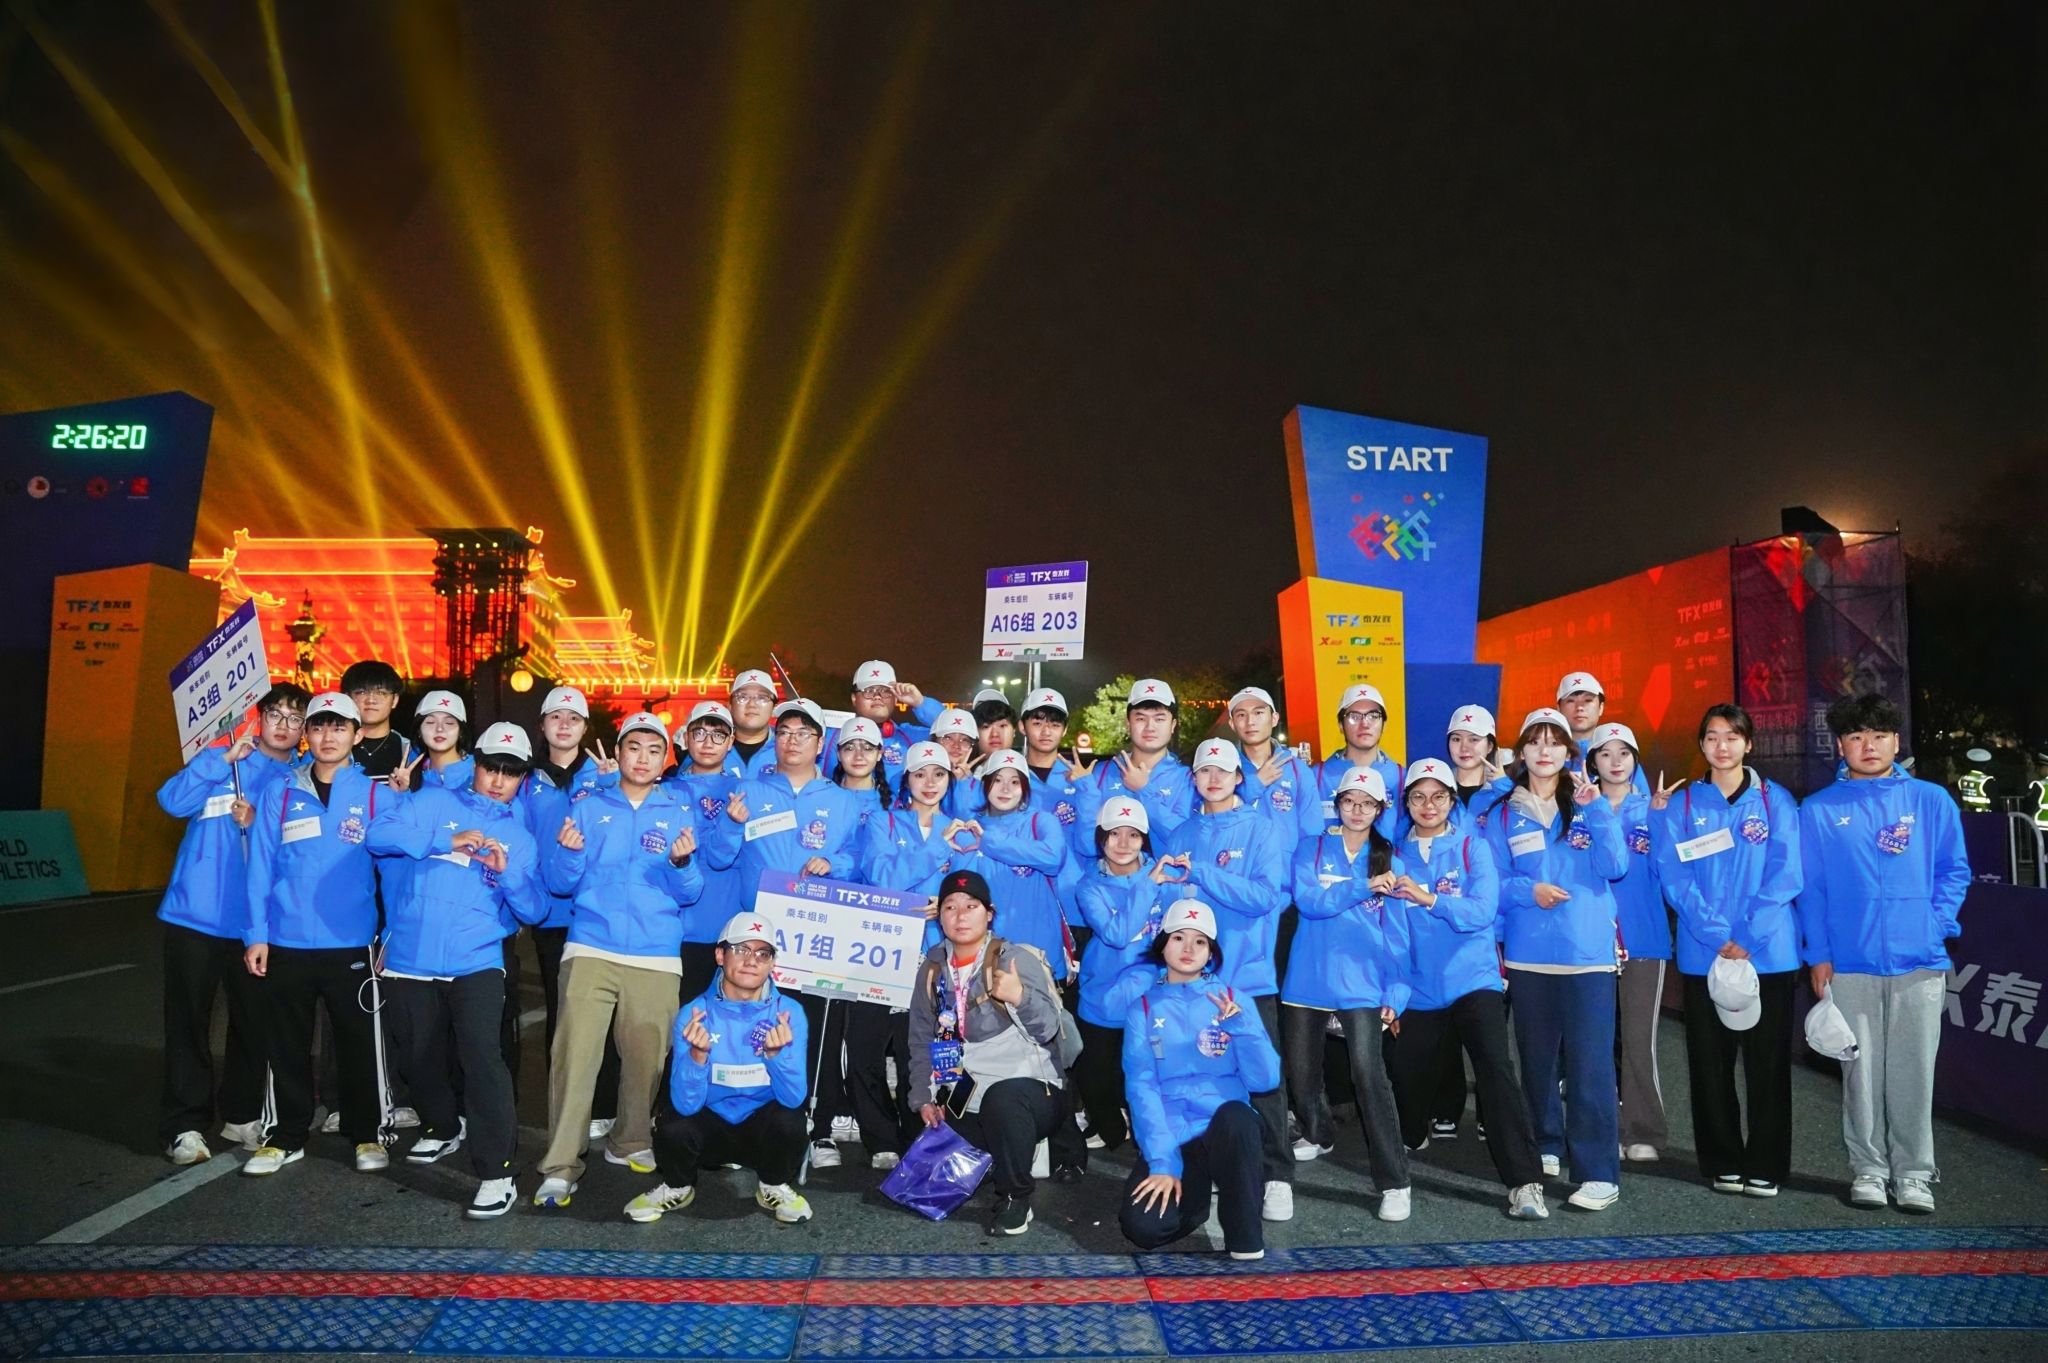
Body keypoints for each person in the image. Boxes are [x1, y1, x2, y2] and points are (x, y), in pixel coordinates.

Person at [1796, 692, 1969, 1214]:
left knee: (1915, 1072)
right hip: (1850, 963)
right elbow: (1811, 890)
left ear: (1896, 741)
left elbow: (1953, 870)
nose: (1867, 745)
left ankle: (1914, 1173)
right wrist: (1819, 954)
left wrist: (1935, 926)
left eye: (1878, 735)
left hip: (1920, 962)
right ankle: (1868, 1169)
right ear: (1840, 746)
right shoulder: (1819, 809)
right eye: (1855, 736)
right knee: (1860, 1074)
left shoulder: (1931, 801)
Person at [365, 721, 547, 1218]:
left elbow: (535, 910)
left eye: (511, 773)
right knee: (418, 1057)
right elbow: (377, 835)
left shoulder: (520, 838)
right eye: (492, 768)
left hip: (477, 960)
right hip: (411, 957)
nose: (498, 780)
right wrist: (445, 839)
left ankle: (497, 1173)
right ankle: (444, 1127)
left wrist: (508, 876)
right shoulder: (432, 801)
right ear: (476, 765)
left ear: (522, 779)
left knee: (484, 1062)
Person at [533, 712, 704, 1209]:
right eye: (634, 747)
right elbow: (560, 883)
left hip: (656, 953)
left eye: (654, 750)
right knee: (575, 1058)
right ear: (620, 752)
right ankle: (560, 1166)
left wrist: (682, 864)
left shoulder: (678, 810)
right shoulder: (588, 806)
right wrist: (568, 854)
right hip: (591, 945)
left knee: (647, 1061)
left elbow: (691, 892)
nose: (643, 758)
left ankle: (629, 1140)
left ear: (665, 759)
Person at [1385, 760, 1549, 1219]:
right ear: (1406, 803)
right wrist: (1393, 998)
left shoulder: (1472, 847)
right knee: (1405, 1079)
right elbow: (1391, 935)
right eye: (1419, 796)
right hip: (1418, 990)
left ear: (1452, 801)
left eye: (1439, 796)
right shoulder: (1393, 860)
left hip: (1473, 981)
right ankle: (1411, 1132)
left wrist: (1431, 899)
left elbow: (1480, 912)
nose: (1429, 805)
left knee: (1496, 1071)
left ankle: (1525, 1182)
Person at [239, 692, 392, 1176]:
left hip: (351, 942)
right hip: (287, 941)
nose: (328, 736)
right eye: (319, 726)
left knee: (358, 1044)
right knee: (286, 1044)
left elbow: (396, 873)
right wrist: (256, 934)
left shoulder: (376, 795)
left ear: (357, 734)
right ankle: (285, 1136)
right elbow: (260, 866)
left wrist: (389, 937)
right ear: (307, 733)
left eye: (339, 727)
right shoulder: (281, 792)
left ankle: (367, 1132)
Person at [155, 683, 308, 1165]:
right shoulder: (224, 760)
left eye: (295, 719)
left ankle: (241, 1114)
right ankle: (184, 1125)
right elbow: (172, 802)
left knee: (253, 1023)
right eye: (275, 714)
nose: (284, 725)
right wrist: (221, 760)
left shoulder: (300, 781)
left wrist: (258, 822)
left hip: (255, 924)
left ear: (304, 730)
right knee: (188, 1023)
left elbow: (301, 854)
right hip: (194, 916)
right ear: (259, 719)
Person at [1653, 705, 1802, 1197]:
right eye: (1713, 737)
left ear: (1749, 744)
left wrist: (1750, 934)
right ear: (1701, 745)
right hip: (1705, 953)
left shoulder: (1775, 801)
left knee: (1768, 1066)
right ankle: (1721, 1160)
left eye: (1733, 737)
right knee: (1710, 1066)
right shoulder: (1683, 805)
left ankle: (1766, 1164)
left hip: (1769, 953)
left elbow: (1787, 873)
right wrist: (1716, 933)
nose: (1723, 746)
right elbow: (1673, 874)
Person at [1483, 707, 1627, 1211]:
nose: (1544, 751)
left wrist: (1599, 810)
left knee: (1591, 1067)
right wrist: (1529, 891)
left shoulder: (1589, 802)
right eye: (1534, 742)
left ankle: (1598, 1172)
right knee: (1537, 1063)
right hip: (1529, 957)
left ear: (1570, 751)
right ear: (1521, 751)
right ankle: (1545, 1144)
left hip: (1587, 956)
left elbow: (1616, 865)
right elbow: (1491, 883)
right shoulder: (1502, 814)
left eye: (1554, 742)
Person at [713, 697, 864, 1172]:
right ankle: (743, 1129)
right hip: (757, 940)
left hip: (816, 936)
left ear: (821, 743)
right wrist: (731, 826)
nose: (792, 740)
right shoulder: (749, 791)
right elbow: (718, 856)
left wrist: (834, 863)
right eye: (784, 732)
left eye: (804, 733)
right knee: (751, 1032)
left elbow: (857, 860)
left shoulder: (843, 801)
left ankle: (817, 1129)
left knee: (816, 1035)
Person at [1158, 738, 1293, 1221]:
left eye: (1223, 771)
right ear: (1193, 779)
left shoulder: (1261, 827)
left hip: (1247, 978)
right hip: (1193, 981)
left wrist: (1203, 875)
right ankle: (1211, 1166)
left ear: (1239, 777)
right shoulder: (1181, 832)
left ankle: (1277, 1175)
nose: (1213, 779)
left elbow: (1264, 897)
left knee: (1263, 1079)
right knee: (1200, 1073)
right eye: (1204, 771)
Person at [1281, 767, 1412, 1221]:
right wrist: (1362, 886)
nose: (1357, 810)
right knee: (1301, 1075)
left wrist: (1397, 989)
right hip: (1307, 978)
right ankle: (1318, 1132)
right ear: (1337, 805)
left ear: (1379, 810)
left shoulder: (1390, 859)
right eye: (1349, 801)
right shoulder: (1311, 848)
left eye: (1367, 803)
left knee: (1369, 1075)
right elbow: (1309, 902)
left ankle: (1395, 1181)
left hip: (1363, 983)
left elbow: (1398, 932)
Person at [907, 870, 1068, 1236]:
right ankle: (1003, 1154)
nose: (960, 916)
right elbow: (920, 1038)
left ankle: (1016, 1197)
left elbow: (1048, 1030)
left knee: (1003, 1100)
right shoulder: (932, 969)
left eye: (971, 906)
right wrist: (924, 1098)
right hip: (966, 1090)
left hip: (1030, 1091)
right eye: (950, 907)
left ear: (989, 914)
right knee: (924, 1182)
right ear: (940, 916)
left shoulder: (1014, 959)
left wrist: (1019, 997)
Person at [627, 913, 813, 1225]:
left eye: (762, 953)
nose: (752, 961)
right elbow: (685, 1104)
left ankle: (773, 1184)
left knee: (792, 1122)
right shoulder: (694, 1014)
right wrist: (697, 1057)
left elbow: (794, 1098)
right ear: (719, 955)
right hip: (710, 1126)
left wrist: (775, 1056)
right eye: (741, 950)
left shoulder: (789, 1013)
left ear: (772, 963)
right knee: (672, 1125)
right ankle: (678, 1186)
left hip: (760, 1129)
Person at [1120, 901, 1280, 1261]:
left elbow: (1265, 1080)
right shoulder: (1142, 1008)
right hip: (1175, 1134)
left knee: (1238, 1118)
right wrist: (1163, 1163)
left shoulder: (1234, 1000)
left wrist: (1241, 1027)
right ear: (1163, 944)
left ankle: (1244, 1235)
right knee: (1143, 1228)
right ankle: (1195, 1201)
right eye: (1179, 937)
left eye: (1200, 941)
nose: (1189, 948)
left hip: (1225, 1130)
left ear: (1211, 952)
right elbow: (1141, 1089)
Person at [856, 741, 968, 1167]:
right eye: (920, 774)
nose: (930, 783)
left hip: (935, 957)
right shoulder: (883, 822)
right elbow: (883, 878)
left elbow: (970, 888)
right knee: (866, 1048)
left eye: (938, 774)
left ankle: (917, 1136)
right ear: (906, 779)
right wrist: (937, 849)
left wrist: (950, 903)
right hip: (881, 951)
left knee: (918, 1051)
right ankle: (880, 1138)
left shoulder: (961, 828)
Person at [520, 685, 623, 1139]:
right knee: (561, 1014)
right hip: (550, 915)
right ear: (542, 725)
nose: (564, 725)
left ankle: (605, 1104)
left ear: (586, 728)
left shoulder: (604, 773)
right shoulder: (526, 779)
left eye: (574, 718)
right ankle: (564, 1104)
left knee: (606, 1012)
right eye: (555, 717)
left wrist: (613, 785)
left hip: (599, 912)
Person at [1585, 721, 1673, 1165]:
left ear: (1636, 760)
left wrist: (1661, 820)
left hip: (1643, 941)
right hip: (1588, 943)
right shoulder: (1580, 809)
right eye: (1605, 753)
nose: (1615, 762)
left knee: (1639, 1042)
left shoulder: (1652, 809)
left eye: (1624, 753)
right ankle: (1604, 1129)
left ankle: (1643, 1129)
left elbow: (1672, 871)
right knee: (1595, 1045)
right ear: (1592, 761)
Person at [1071, 799, 1171, 1155]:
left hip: (1152, 997)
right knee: (1095, 1079)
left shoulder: (1165, 875)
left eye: (1133, 835)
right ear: (1101, 838)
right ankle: (1113, 1129)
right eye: (1115, 834)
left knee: (1147, 1076)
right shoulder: (1089, 885)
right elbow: (1117, 933)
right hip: (1104, 994)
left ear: (1144, 839)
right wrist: (1148, 886)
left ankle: (1153, 1141)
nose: (1124, 843)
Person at [671, 701, 747, 1005]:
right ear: (686, 737)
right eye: (699, 732)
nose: (707, 742)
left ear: (731, 742)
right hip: (672, 928)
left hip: (724, 925)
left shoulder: (745, 791)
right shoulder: (663, 790)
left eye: (718, 735)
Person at [1068, 678, 1195, 860]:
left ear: (1173, 725)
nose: (1150, 727)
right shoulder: (1099, 775)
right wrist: (1085, 790)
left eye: (1159, 719)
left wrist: (1144, 791)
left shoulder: (1189, 779)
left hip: (1165, 878)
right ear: (1128, 724)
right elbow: (1087, 846)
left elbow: (1186, 843)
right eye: (1141, 718)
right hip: (1107, 879)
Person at [827, 660, 943, 779]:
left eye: (885, 691)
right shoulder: (832, 738)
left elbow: (950, 727)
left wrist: (921, 703)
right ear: (854, 698)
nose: (877, 697)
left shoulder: (912, 737)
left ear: (895, 698)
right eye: (869, 691)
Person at [1316, 683, 1401, 838]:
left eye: (1373, 716)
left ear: (1384, 724)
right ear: (1340, 725)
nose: (1365, 724)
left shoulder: (1402, 778)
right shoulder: (1316, 777)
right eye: (1354, 716)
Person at [1557, 672, 1647, 793]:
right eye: (1571, 701)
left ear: (1601, 707)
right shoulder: (1545, 754)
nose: (1579, 707)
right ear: (1559, 709)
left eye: (1588, 700)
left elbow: (1644, 800)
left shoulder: (1622, 757)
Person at [339, 660, 409, 782]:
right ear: (347, 698)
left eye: (381, 693)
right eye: (361, 692)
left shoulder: (410, 752)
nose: (371, 700)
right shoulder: (327, 747)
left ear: (394, 700)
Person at [727, 668, 781, 777]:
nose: (752, 704)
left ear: (774, 708)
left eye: (762, 698)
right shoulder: (709, 747)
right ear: (730, 706)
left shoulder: (789, 746)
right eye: (742, 697)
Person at [971, 687, 1019, 759]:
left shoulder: (1023, 765)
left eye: (1002, 726)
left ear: (1014, 730)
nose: (994, 734)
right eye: (986, 727)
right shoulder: (961, 765)